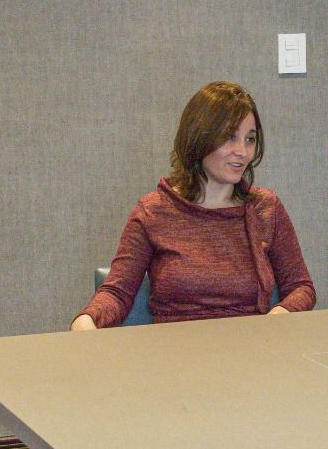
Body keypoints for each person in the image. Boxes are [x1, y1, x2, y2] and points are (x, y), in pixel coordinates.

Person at [73, 80, 315, 329]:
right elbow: (117, 293)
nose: (243, 151)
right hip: (174, 353)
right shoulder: (153, 211)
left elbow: (301, 287)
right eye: (230, 138)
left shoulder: (267, 208)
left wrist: (281, 313)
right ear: (199, 138)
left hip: (250, 348)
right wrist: (87, 319)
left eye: (250, 139)